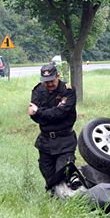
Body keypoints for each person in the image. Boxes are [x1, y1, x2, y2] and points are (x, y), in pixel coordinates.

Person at [28, 63, 78, 195]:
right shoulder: (38, 90)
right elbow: (34, 116)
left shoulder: (68, 90)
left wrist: (40, 111)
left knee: (63, 173)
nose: (49, 84)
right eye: (46, 81)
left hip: (64, 141)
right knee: (47, 174)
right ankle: (53, 198)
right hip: (45, 141)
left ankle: (67, 198)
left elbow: (61, 114)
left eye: (51, 80)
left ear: (58, 76)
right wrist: (45, 113)